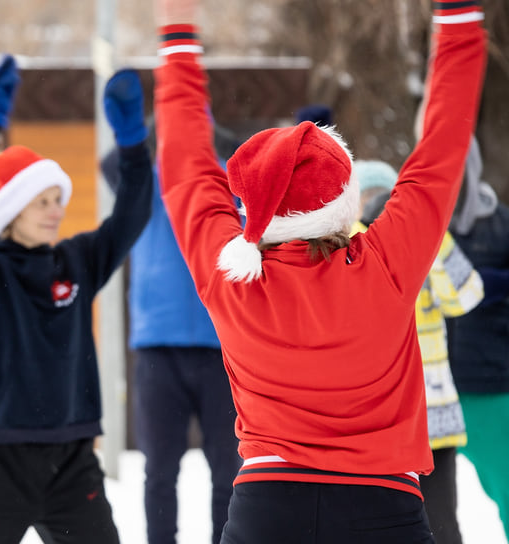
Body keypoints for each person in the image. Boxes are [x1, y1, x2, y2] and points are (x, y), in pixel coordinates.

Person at [153, 1, 487, 542]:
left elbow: (187, 165)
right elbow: (443, 145)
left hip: (266, 510)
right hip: (382, 509)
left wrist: (177, 41)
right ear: (345, 201)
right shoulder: (386, 263)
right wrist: (456, 19)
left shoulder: (232, 276)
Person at [0, 55, 152, 543]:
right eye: (44, 201)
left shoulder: (76, 262)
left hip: (72, 460)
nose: (58, 211)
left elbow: (131, 218)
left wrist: (135, 147)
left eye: (60, 199)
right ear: (11, 209)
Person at [101, 131, 241, 544]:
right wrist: (149, 133)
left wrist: (227, 146)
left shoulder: (230, 181)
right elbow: (111, 165)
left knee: (226, 468)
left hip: (221, 348)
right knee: (159, 469)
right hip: (157, 348)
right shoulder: (154, 181)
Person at [357, 162, 485, 544]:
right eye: (370, 198)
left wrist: (432, 230)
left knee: (442, 526)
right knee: (378, 528)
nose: (379, 205)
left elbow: (467, 295)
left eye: (387, 197)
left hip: (433, 418)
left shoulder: (420, 245)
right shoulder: (351, 250)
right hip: (377, 421)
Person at [445, 135, 509, 541]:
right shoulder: (420, 218)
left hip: (490, 384)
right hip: (431, 393)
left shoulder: (500, 223)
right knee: (425, 509)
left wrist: (485, 285)